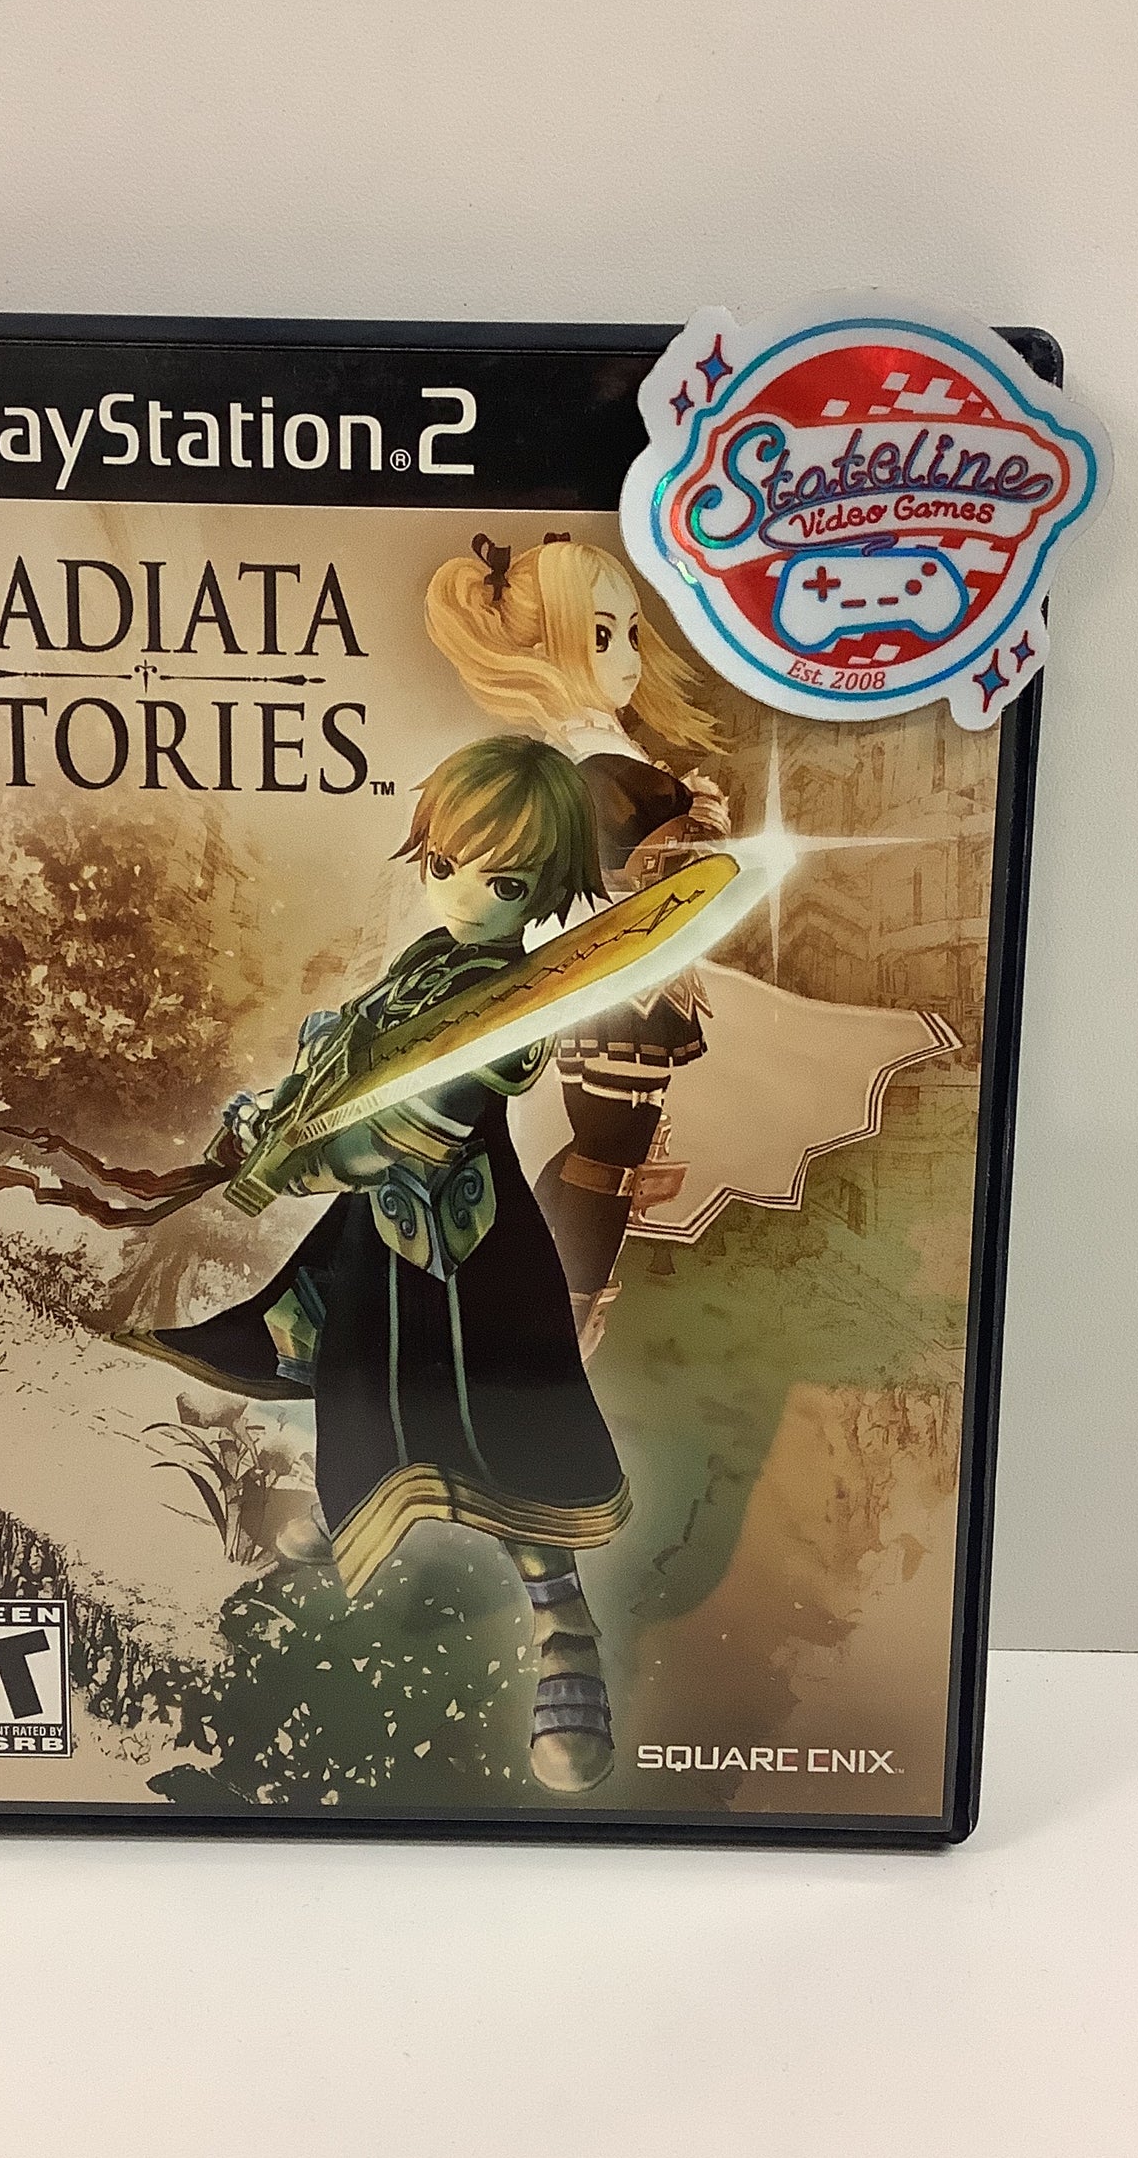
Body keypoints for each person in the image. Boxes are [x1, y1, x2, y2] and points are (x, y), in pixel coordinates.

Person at [141, 735, 628, 1795]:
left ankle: (565, 1632)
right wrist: (265, 1118)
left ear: (546, 887)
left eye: (503, 881)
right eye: (446, 864)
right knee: (356, 1377)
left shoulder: (513, 1004)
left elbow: (419, 1129)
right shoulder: (424, 961)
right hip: (382, 1235)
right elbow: (343, 1057)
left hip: (471, 1248)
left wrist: (299, 1164)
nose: (465, 895)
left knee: (506, 1424)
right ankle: (356, 1507)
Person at [425, 535, 731, 1348]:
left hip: (623, 976)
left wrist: (687, 817)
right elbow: (643, 854)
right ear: (545, 646)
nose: (628, 658)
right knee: (611, 1154)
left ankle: (539, 1326)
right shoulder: (586, 756)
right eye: (600, 636)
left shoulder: (593, 744)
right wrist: (695, 822)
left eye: (630, 633)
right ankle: (552, 1334)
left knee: (609, 1151)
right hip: (618, 982)